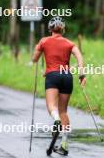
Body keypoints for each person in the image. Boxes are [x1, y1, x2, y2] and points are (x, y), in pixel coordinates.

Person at [32, 16, 86, 155]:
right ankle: (64, 144)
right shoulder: (70, 43)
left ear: (50, 29)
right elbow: (79, 56)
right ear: (63, 29)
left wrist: (39, 48)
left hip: (53, 77)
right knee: (63, 111)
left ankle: (56, 121)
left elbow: (34, 59)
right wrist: (81, 75)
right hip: (67, 77)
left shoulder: (44, 41)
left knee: (52, 107)